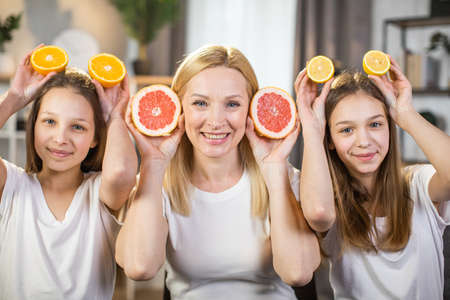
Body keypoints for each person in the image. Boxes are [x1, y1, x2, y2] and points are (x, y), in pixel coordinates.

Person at [116, 45, 320, 300]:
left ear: (251, 109)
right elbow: (139, 267)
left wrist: (276, 170)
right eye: (200, 103)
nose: (215, 120)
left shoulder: (283, 177)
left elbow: (298, 273)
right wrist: (153, 164)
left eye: (232, 104)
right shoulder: (157, 183)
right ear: (180, 108)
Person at [295, 57, 450, 299]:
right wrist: (313, 131)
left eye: (375, 124)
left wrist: (406, 114)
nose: (364, 141)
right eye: (347, 130)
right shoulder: (326, 198)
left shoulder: (418, 184)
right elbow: (318, 213)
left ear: (390, 127)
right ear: (330, 140)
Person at [0, 45, 138, 299]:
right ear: (34, 125)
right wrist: (15, 98)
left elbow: (120, 172)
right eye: (50, 122)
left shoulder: (99, 192)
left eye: (77, 127)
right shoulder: (12, 185)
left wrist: (115, 117)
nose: (60, 138)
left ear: (96, 137)